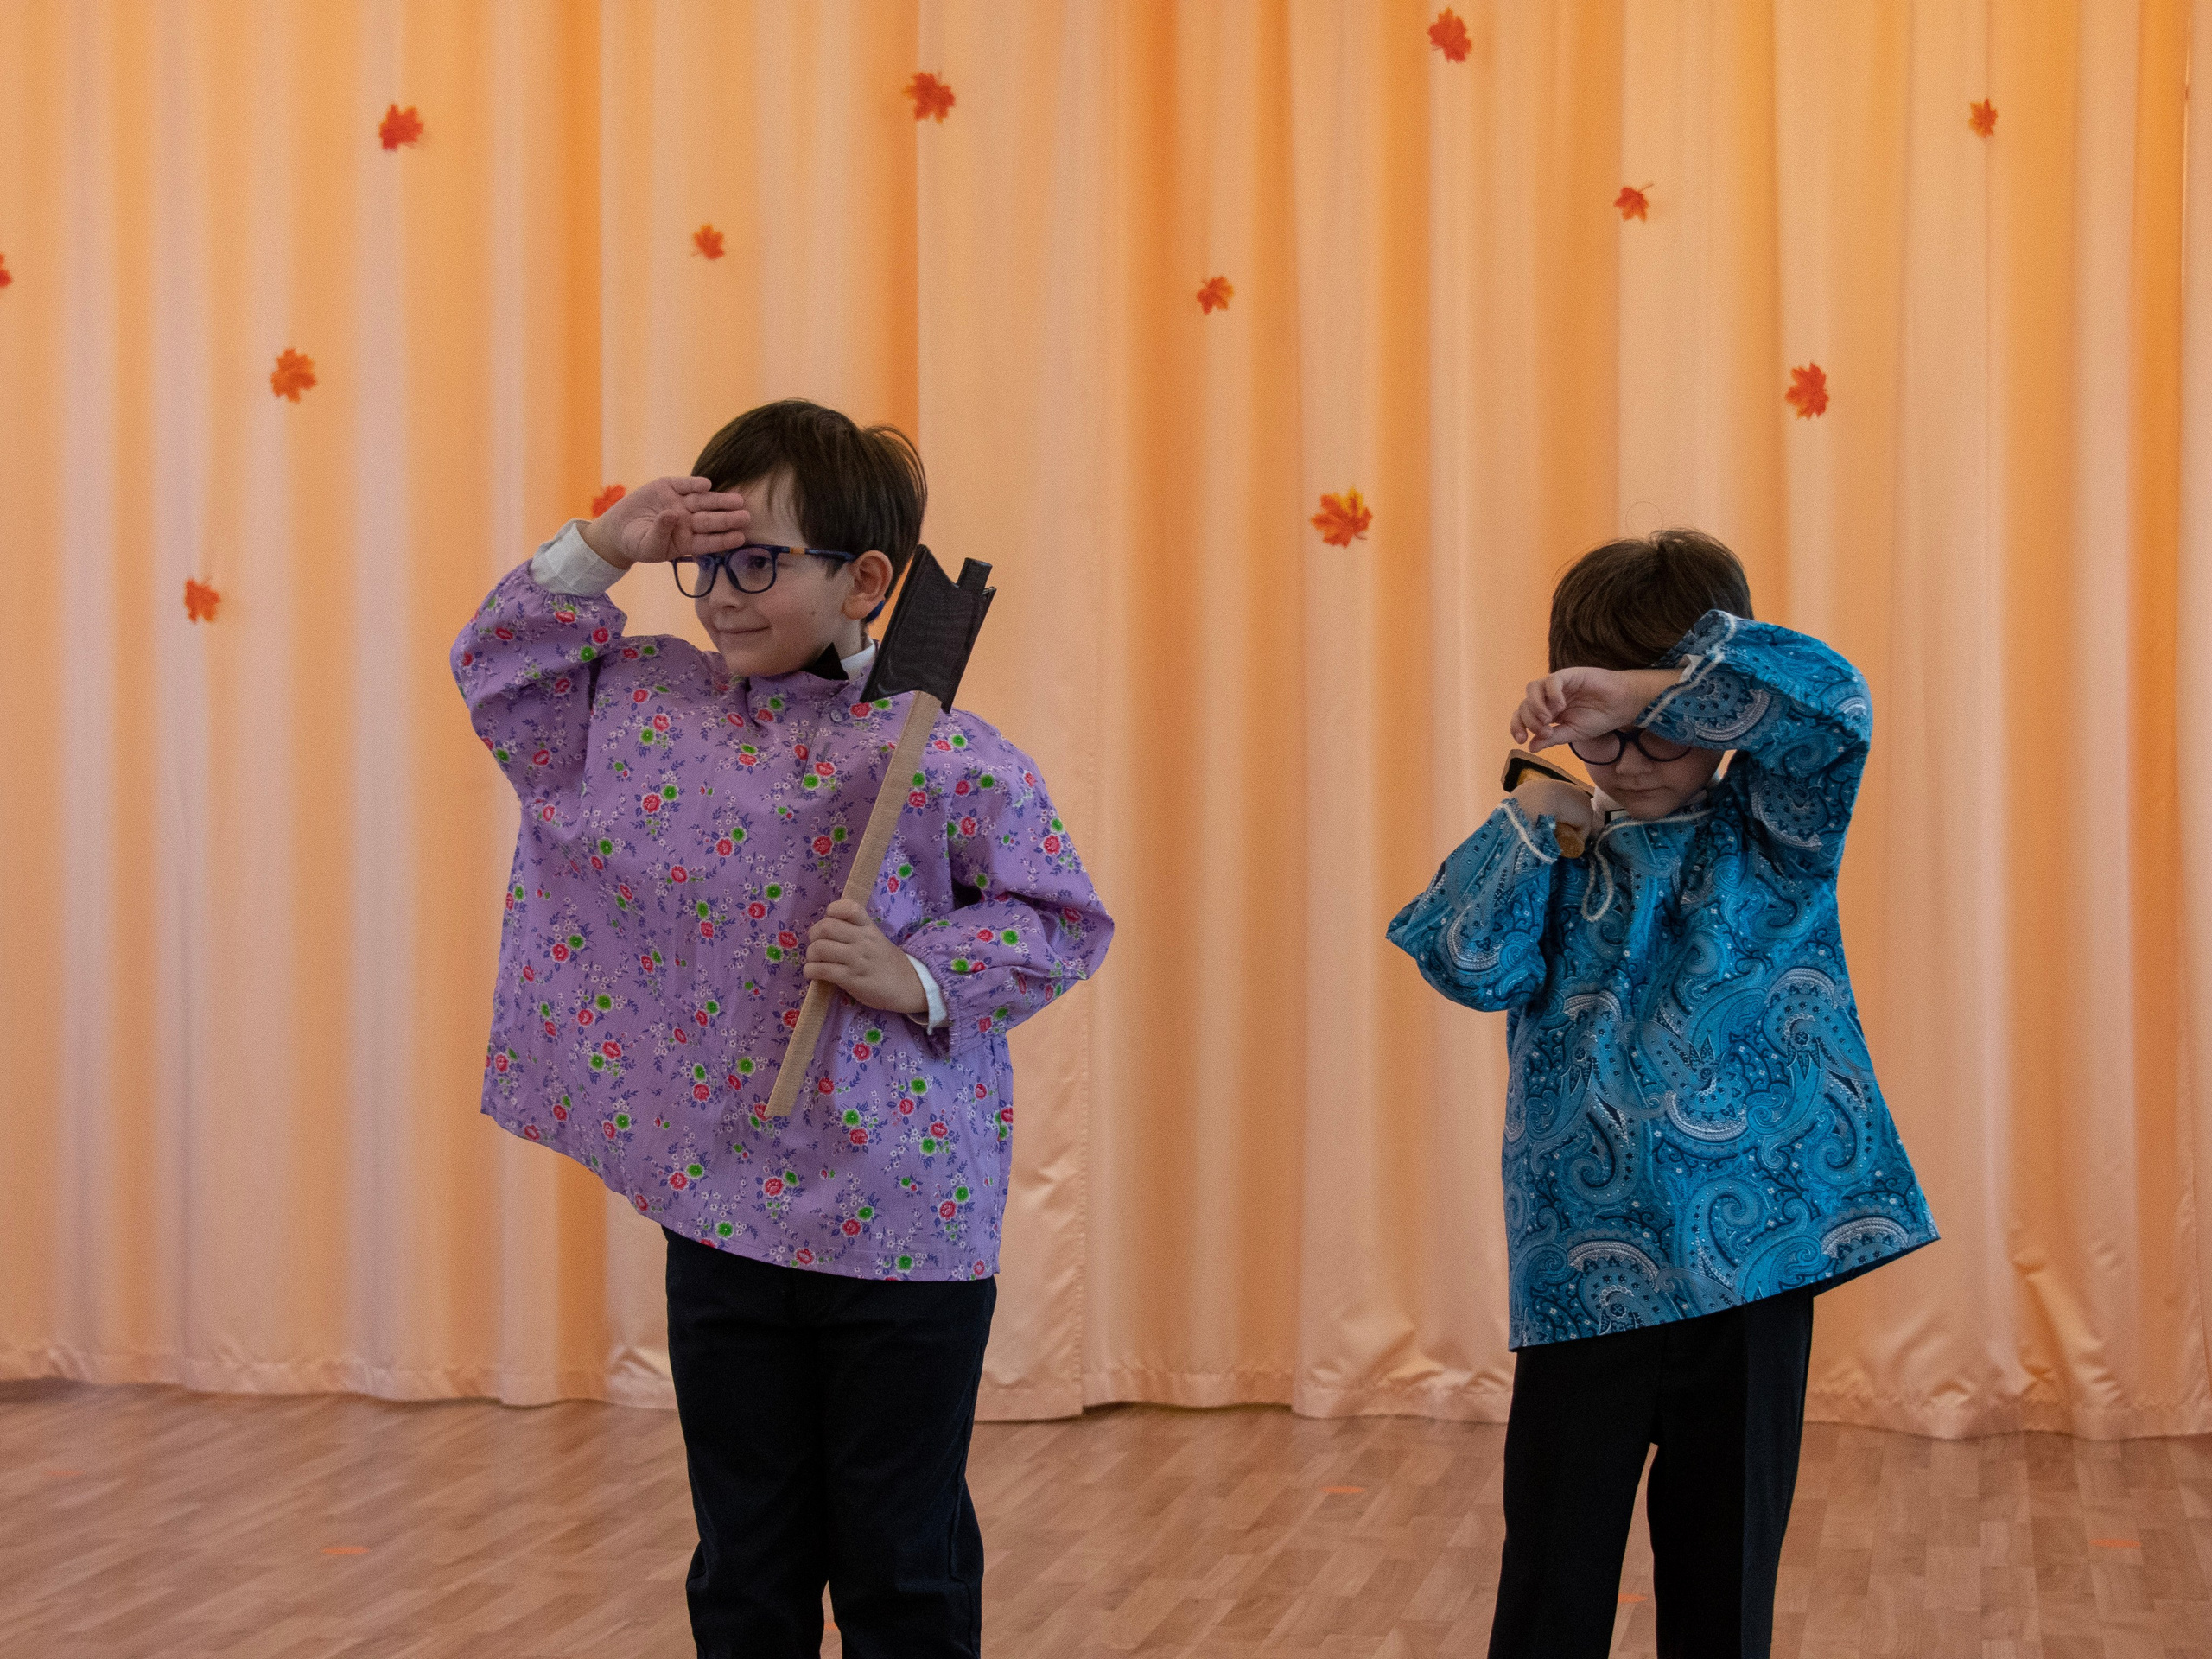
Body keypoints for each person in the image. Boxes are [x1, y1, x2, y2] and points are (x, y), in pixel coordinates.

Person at [452, 398, 1113, 1658]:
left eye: (757, 562)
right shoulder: (642, 711)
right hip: (724, 1207)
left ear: (866, 578)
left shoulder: (947, 754)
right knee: (746, 1566)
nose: (717, 597)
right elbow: (499, 670)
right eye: (704, 563)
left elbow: (1061, 919)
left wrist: (911, 974)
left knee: (901, 1564)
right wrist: (609, 544)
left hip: (906, 1225)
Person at [1385, 528, 1936, 1659]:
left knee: (1723, 1592)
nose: (1631, 754)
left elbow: (1834, 705)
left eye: (1661, 721)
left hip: (1752, 1275)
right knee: (1551, 1585)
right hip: (1583, 1278)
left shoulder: (1776, 835)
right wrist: (1532, 823)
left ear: (1709, 702)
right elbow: (1466, 961)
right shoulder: (1560, 844)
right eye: (1604, 732)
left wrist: (1643, 687)